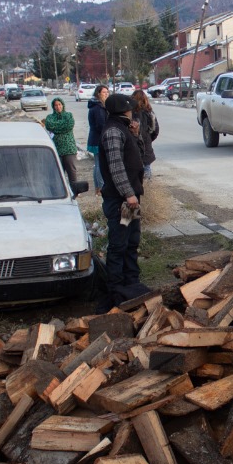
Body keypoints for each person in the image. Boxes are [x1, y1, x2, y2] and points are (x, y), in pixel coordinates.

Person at [97, 92, 149, 309]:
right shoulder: (112, 132)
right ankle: (116, 289)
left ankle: (132, 283)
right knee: (119, 243)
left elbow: (139, 156)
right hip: (121, 200)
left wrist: (136, 136)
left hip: (130, 200)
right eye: (129, 108)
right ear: (122, 111)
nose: (132, 111)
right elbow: (116, 168)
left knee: (131, 240)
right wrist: (128, 194)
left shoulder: (123, 129)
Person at [43, 97, 79, 185]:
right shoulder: (50, 117)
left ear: (62, 105)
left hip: (69, 148)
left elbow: (68, 126)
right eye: (56, 105)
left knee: (72, 171)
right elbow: (49, 126)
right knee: (58, 172)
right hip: (57, 148)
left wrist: (57, 128)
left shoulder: (68, 115)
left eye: (59, 104)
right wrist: (61, 126)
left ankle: (74, 189)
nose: (58, 107)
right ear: (53, 106)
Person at [86, 84, 110, 195]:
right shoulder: (98, 107)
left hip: (95, 138)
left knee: (97, 164)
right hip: (98, 139)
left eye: (107, 92)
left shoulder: (97, 106)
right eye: (104, 92)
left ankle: (98, 187)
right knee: (100, 164)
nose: (106, 94)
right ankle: (100, 187)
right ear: (98, 93)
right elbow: (101, 125)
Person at [132, 89, 159, 181]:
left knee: (134, 169)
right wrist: (148, 138)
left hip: (133, 143)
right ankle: (147, 189)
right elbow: (155, 130)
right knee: (146, 167)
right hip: (146, 143)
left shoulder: (129, 113)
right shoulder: (149, 112)